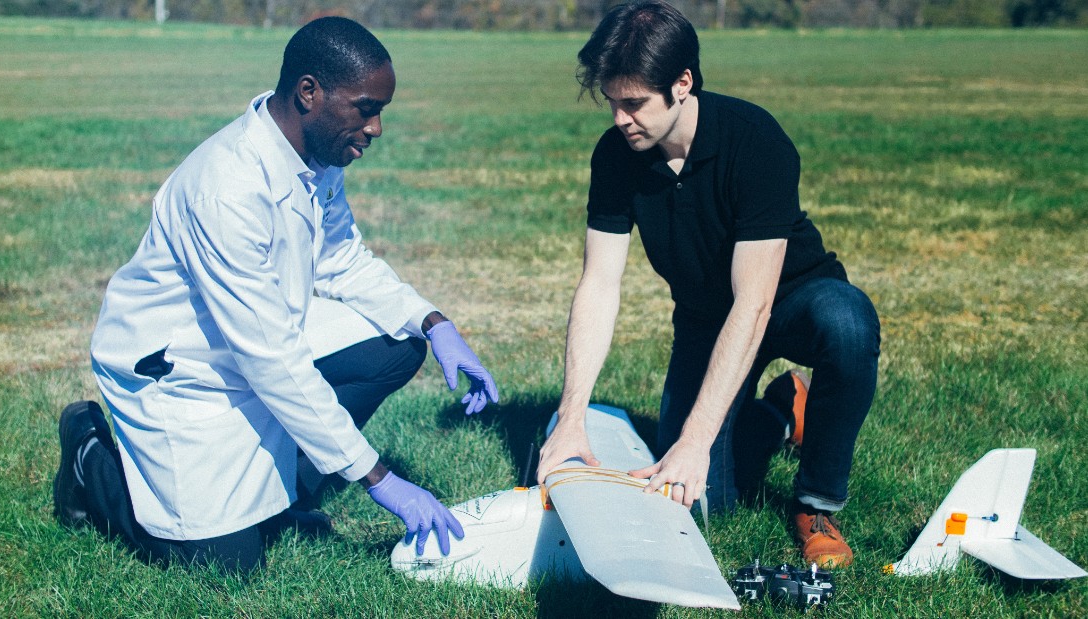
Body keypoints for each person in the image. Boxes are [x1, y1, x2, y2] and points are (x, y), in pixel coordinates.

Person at [52, 17, 499, 574]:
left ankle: (283, 498)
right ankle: (91, 458)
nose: (377, 127)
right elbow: (269, 358)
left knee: (396, 342)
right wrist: (377, 478)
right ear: (309, 92)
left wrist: (434, 324)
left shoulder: (312, 153)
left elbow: (341, 259)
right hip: (176, 369)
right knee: (224, 567)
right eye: (366, 108)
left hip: (247, 339)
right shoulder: (226, 188)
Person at [535, 1, 879, 568]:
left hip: (790, 299)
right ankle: (778, 411)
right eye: (612, 102)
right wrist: (572, 417)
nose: (620, 119)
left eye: (635, 103)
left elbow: (756, 301)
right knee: (702, 510)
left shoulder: (755, 140)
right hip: (704, 319)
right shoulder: (615, 157)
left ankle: (816, 504)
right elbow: (599, 284)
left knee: (848, 323)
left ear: (683, 83)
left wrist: (695, 441)